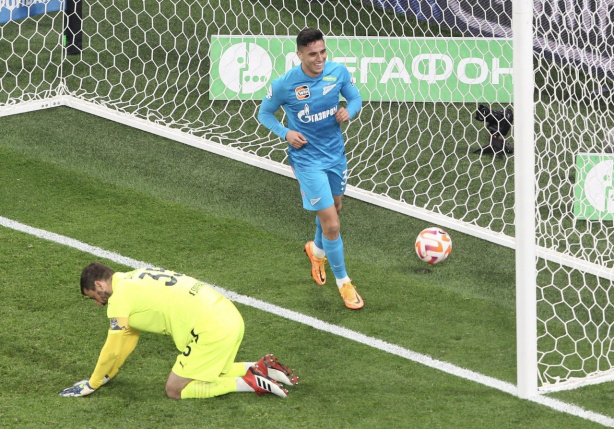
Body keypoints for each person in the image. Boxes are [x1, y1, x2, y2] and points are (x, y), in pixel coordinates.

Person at [59, 262, 298, 399]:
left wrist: (93, 382)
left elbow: (112, 347)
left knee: (175, 389)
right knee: (213, 370)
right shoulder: (136, 275)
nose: (98, 303)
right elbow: (127, 338)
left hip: (210, 326)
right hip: (229, 315)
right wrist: (110, 374)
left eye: (95, 296)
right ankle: (260, 367)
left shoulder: (120, 299)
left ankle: (250, 382)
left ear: (99, 284)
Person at [257, 28, 364, 310]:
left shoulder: (337, 72)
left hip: (334, 155)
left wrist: (348, 111)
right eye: (313, 54)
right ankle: (345, 283)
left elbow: (356, 99)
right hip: (306, 160)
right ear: (300, 54)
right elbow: (264, 113)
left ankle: (316, 252)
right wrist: (285, 133)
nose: (319, 59)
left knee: (336, 207)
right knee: (332, 223)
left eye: (323, 52)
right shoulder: (285, 84)